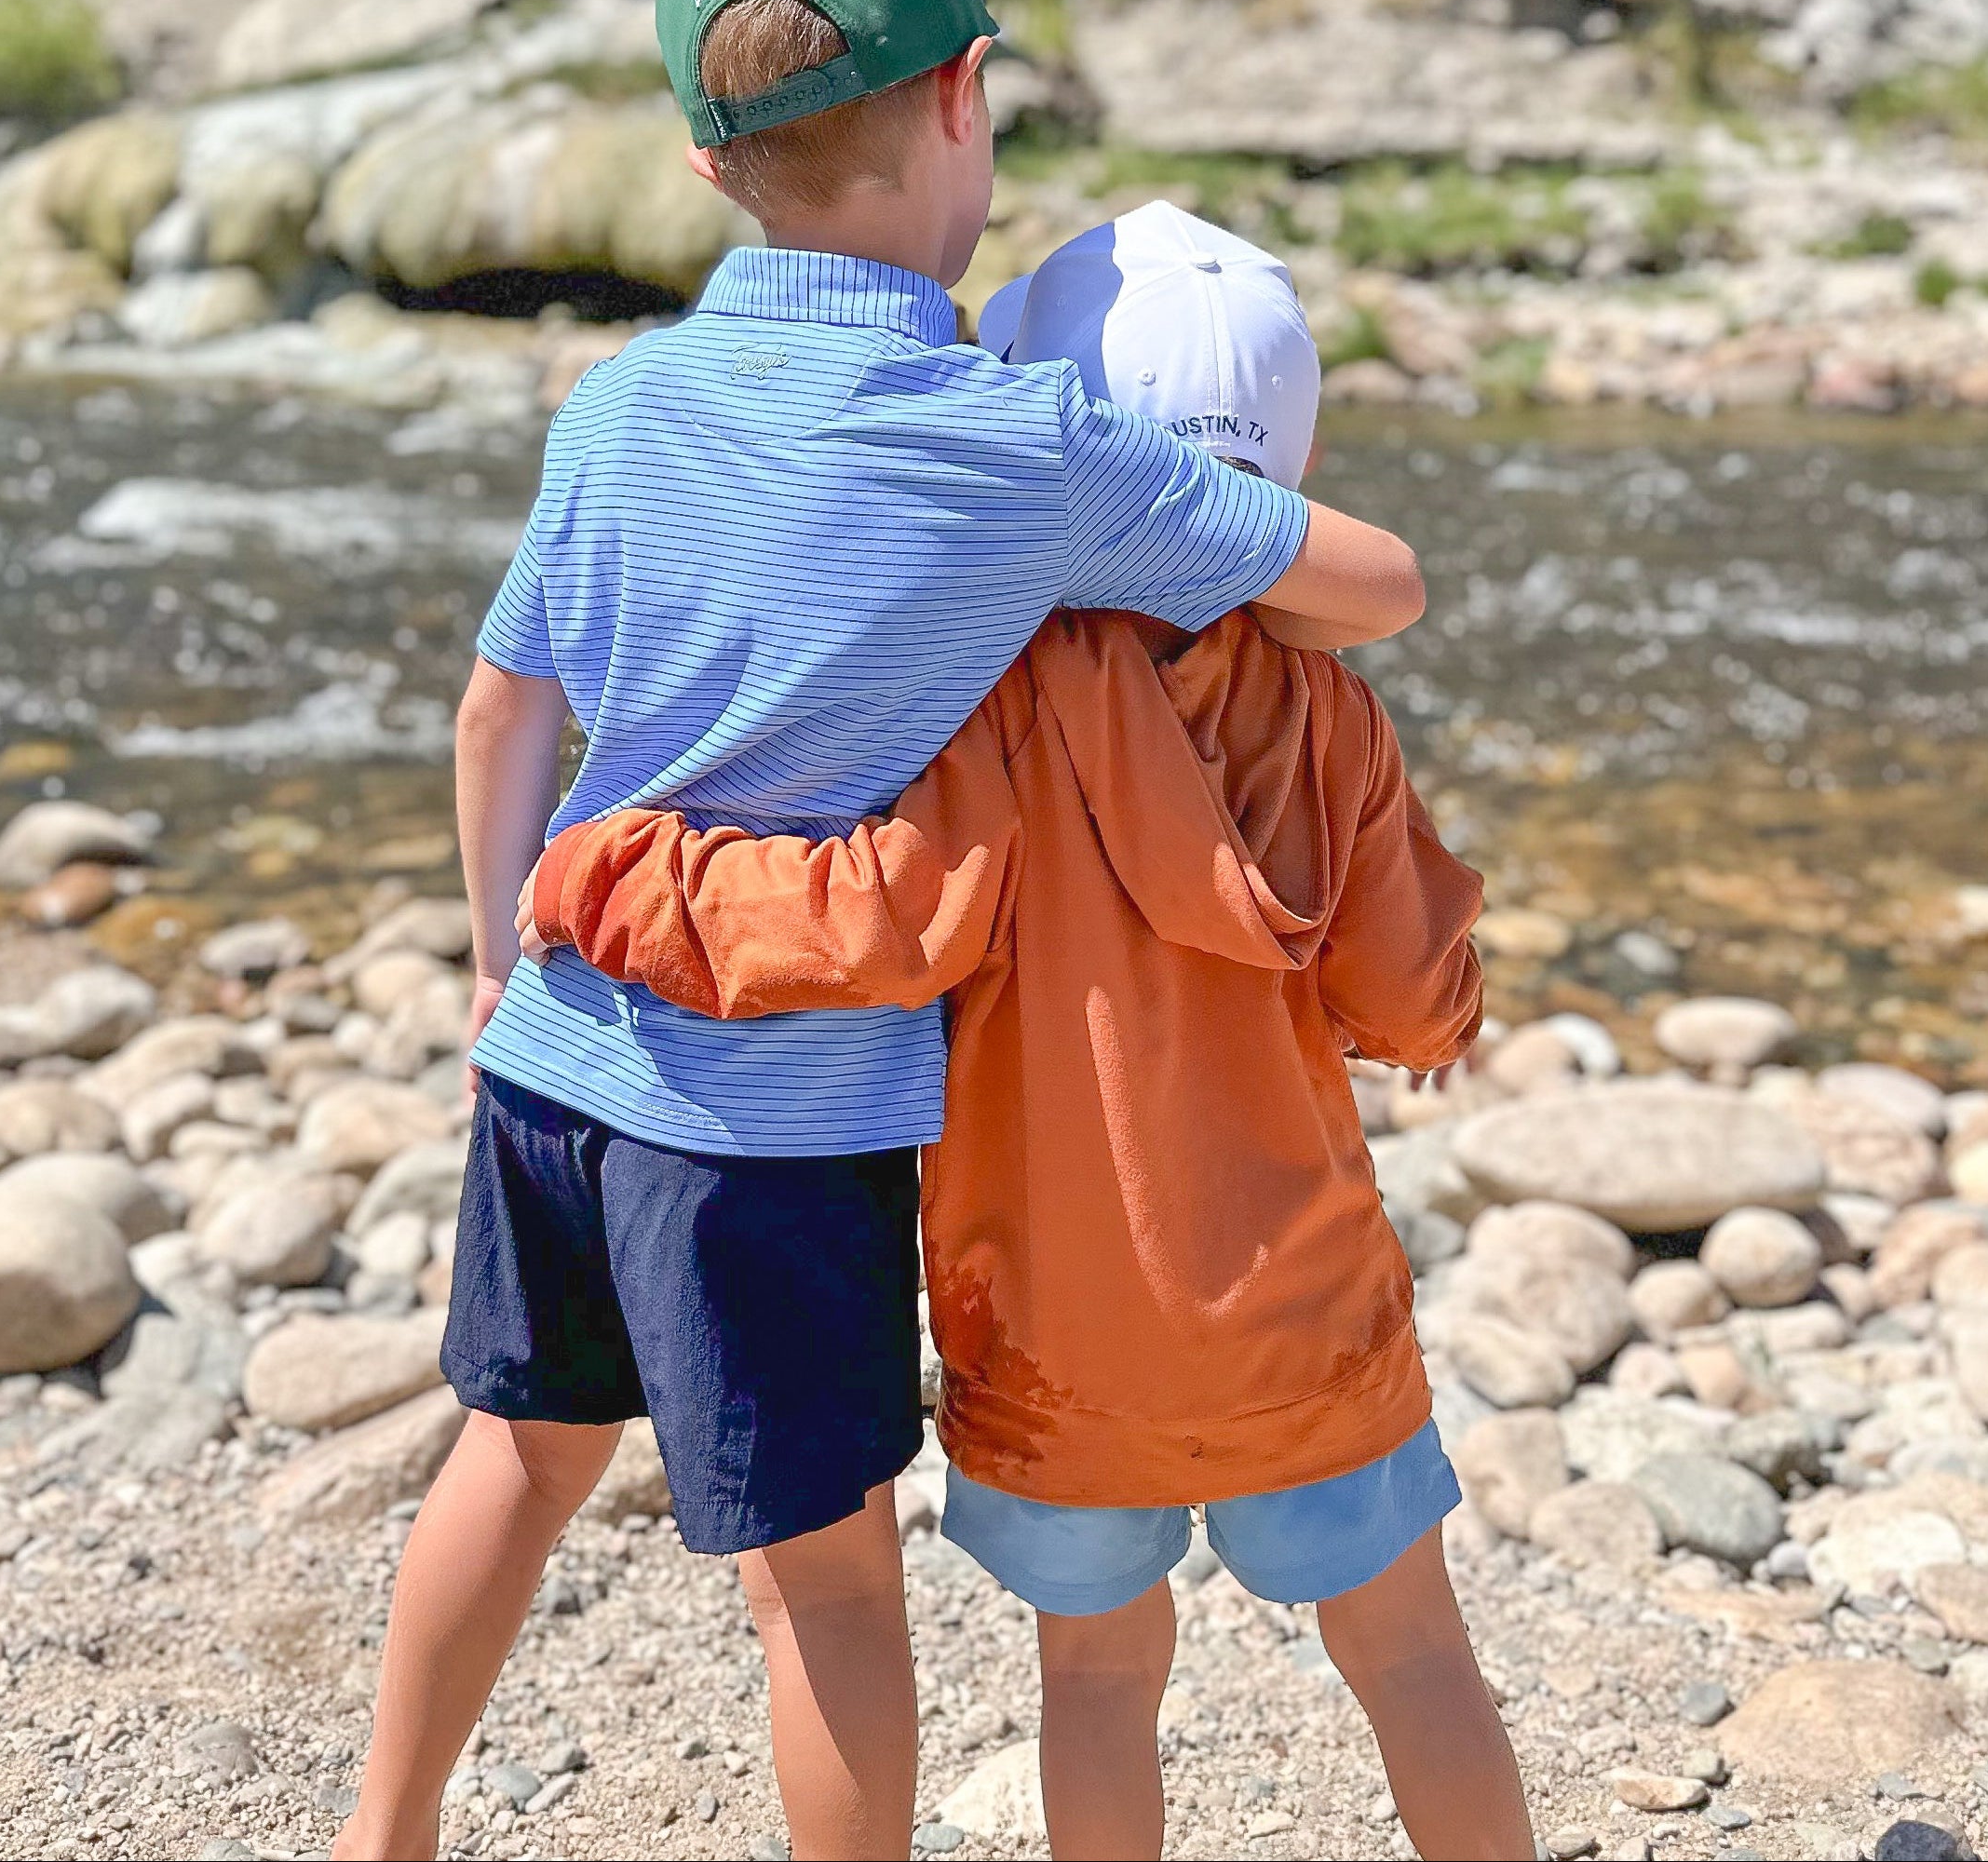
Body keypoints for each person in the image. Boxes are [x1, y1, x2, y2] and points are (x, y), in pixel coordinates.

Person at [333, 0, 1430, 1862]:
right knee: (825, 1586)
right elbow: (1373, 583)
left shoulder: (615, 403)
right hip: (766, 1118)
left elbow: (502, 716)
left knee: (512, 1455)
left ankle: (377, 1837)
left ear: (698, 153)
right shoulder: (1010, 442)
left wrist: (502, 968)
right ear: (966, 98)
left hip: (553, 1062)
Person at [517, 202, 1535, 1862]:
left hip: (1062, 1330)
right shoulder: (1328, 708)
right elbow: (1409, 993)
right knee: (1412, 1652)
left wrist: (612, 866)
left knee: (1101, 1685)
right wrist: (1449, 998)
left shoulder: (990, 701)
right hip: (1306, 1315)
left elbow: (866, 922)